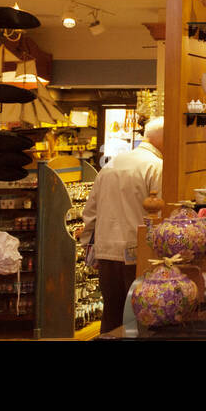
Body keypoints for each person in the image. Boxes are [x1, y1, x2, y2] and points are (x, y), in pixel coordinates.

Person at [80, 117, 164, 334]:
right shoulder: (156, 166)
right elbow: (159, 213)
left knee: (112, 313)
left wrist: (89, 247)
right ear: (162, 140)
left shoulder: (112, 164)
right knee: (139, 315)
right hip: (138, 251)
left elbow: (90, 212)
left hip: (106, 250)